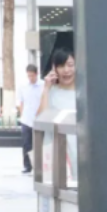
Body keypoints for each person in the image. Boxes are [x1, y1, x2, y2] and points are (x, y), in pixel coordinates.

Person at [39, 48, 77, 177]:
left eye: (70, 65)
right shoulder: (51, 92)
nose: (66, 70)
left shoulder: (84, 93)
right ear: (54, 69)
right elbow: (41, 119)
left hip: (79, 152)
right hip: (56, 152)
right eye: (61, 66)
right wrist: (46, 88)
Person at [17, 61, 43, 175]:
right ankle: (27, 166)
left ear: (37, 74)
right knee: (26, 143)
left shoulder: (43, 85)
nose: (31, 78)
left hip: (39, 118)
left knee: (39, 144)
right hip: (26, 119)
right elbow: (21, 102)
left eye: (32, 75)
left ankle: (39, 166)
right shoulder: (23, 86)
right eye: (29, 76)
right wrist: (22, 114)